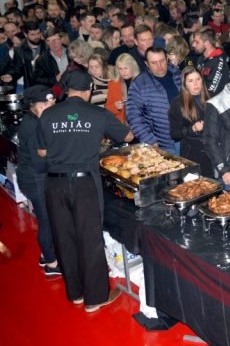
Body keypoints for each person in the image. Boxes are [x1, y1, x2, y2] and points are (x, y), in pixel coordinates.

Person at [37, 70, 133, 312]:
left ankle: (76, 294)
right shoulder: (98, 114)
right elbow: (128, 136)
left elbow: (41, 152)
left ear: (67, 90)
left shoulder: (48, 115)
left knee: (64, 237)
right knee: (90, 239)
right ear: (89, 90)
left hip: (55, 183)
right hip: (84, 183)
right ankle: (96, 298)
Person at [16, 86, 59, 276]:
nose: (50, 109)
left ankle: (46, 254)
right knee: (46, 219)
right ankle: (51, 264)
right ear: (35, 106)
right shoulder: (32, 127)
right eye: (46, 105)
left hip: (34, 175)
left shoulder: (36, 119)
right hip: (34, 178)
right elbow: (40, 161)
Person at [126, 47, 181, 152]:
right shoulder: (139, 84)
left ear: (167, 59)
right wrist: (149, 140)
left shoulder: (179, 75)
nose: (159, 66)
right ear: (147, 63)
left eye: (162, 61)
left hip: (187, 137)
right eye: (154, 63)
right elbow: (133, 116)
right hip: (162, 143)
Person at [169, 67, 213, 177]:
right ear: (185, 84)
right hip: (192, 154)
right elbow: (175, 134)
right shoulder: (177, 103)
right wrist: (192, 129)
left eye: (198, 79)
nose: (195, 84)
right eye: (191, 81)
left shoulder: (212, 96)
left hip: (213, 151)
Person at [191, 27, 230, 96]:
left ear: (207, 43)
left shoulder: (219, 62)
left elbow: (211, 90)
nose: (193, 45)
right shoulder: (201, 58)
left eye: (197, 42)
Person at [105, 53, 139, 124]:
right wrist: (115, 106)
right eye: (120, 69)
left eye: (126, 68)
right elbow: (107, 107)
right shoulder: (113, 84)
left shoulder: (141, 82)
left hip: (139, 122)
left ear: (132, 67)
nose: (123, 72)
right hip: (121, 125)